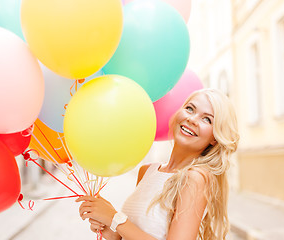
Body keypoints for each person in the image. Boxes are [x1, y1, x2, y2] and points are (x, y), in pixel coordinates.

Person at [76, 88, 240, 240]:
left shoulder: (194, 178)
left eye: (206, 119)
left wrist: (115, 218)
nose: (192, 119)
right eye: (190, 109)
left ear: (214, 138)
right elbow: (133, 234)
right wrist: (110, 227)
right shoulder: (147, 171)